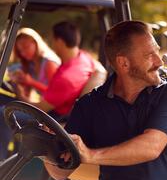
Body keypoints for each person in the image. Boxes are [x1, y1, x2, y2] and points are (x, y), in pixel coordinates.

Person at [14, 20, 167, 180]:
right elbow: (60, 173)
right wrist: (46, 149)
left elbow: (151, 147)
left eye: (157, 52)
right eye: (149, 55)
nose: (159, 61)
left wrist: (91, 155)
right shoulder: (90, 104)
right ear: (123, 64)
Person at [0, 21, 96, 160]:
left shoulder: (66, 77)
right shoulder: (82, 58)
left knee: (3, 113)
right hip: (55, 110)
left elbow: (41, 108)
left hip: (54, 118)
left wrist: (21, 93)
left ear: (59, 41)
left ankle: (2, 160)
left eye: (53, 40)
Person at [0, 27, 60, 105]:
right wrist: (18, 82)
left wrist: (31, 82)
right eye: (20, 50)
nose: (23, 53)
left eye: (26, 47)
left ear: (36, 43)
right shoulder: (30, 63)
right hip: (40, 104)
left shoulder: (49, 62)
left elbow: (56, 94)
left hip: (49, 108)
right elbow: (25, 96)